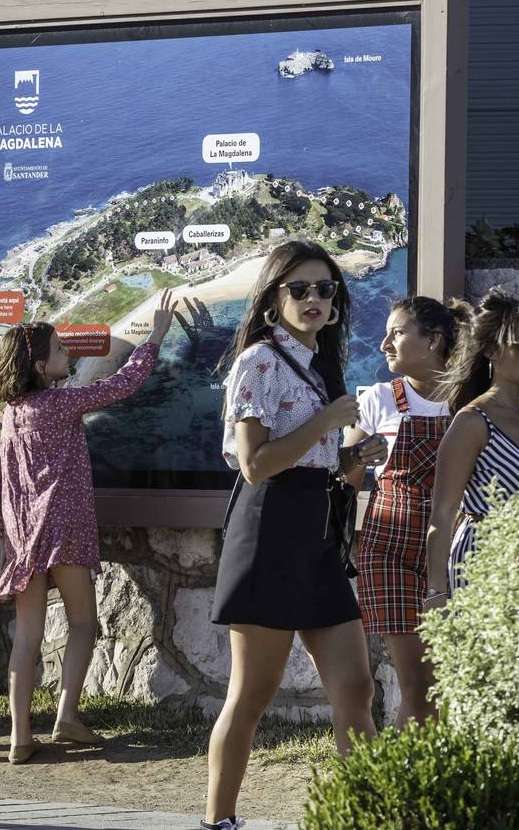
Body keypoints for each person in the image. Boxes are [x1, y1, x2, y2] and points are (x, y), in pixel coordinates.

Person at [203, 241, 385, 830]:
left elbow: (321, 463)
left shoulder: (320, 364)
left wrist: (357, 455)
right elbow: (256, 465)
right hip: (269, 528)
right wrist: (327, 423)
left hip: (318, 530)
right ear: (273, 297)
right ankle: (219, 821)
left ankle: (364, 814)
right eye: (300, 288)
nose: (313, 299)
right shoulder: (258, 361)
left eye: (325, 289)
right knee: (254, 693)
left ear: (336, 303)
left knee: (355, 687)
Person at [0, 291, 178, 765]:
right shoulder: (58, 405)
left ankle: (19, 735)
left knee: (27, 634)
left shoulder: (12, 413)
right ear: (38, 365)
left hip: (23, 536)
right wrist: (155, 336)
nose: (67, 354)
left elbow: (5, 481)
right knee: (83, 622)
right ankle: (67, 715)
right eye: (58, 350)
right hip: (64, 531)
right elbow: (123, 384)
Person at [342, 296, 470, 727]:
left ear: (433, 340)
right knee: (418, 685)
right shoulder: (379, 398)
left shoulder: (467, 404)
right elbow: (341, 471)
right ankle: (393, 788)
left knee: (446, 685)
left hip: (454, 556)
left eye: (396, 332)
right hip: (390, 552)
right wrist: (359, 454)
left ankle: (417, 781)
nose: (384, 344)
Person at [425, 290, 519, 606]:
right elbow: (444, 511)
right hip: (484, 564)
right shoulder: (473, 421)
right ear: (492, 350)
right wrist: (436, 594)